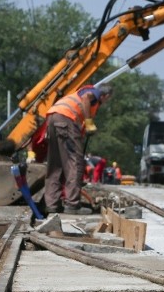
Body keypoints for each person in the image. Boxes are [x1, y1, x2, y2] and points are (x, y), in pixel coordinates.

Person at [43, 83, 112, 214]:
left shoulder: (80, 93)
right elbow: (86, 98)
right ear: (106, 96)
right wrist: (89, 121)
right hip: (66, 118)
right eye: (107, 99)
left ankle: (52, 205)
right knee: (75, 163)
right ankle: (72, 205)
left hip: (52, 117)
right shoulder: (94, 94)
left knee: (55, 164)